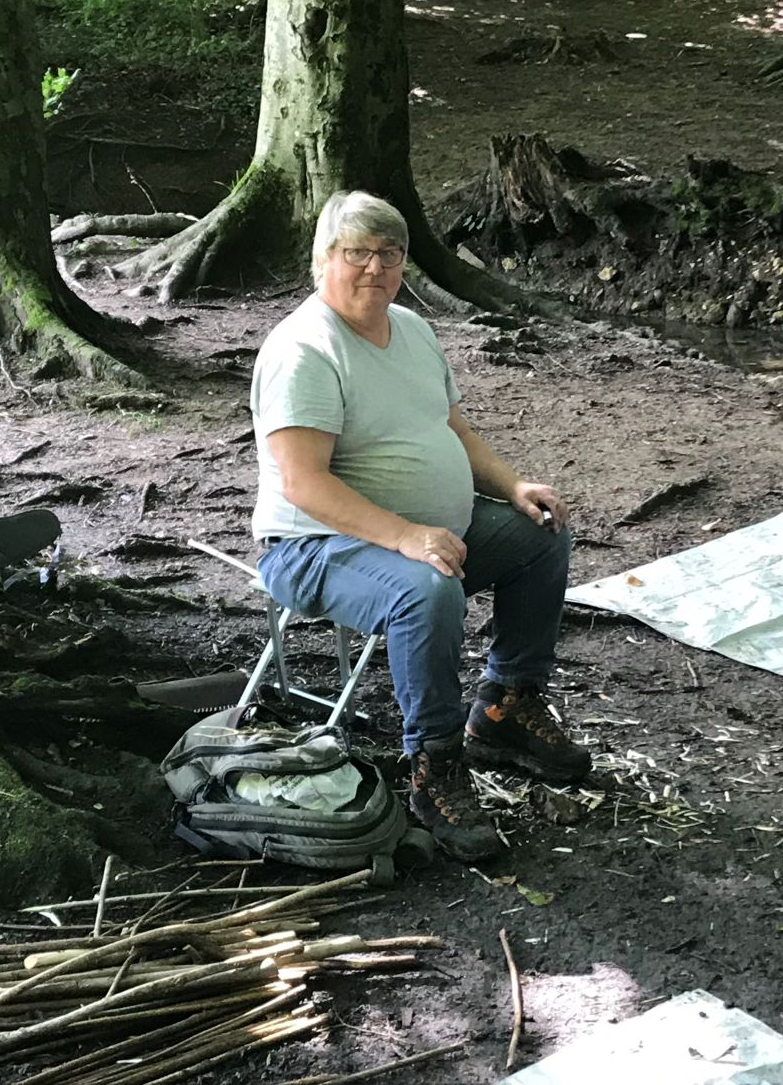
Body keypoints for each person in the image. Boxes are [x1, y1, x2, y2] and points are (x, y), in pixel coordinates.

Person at [250, 190, 590, 862]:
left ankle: (505, 709)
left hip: (426, 531)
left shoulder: (410, 329)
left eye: (390, 253)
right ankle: (434, 766)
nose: (375, 268)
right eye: (358, 253)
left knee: (540, 534)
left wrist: (513, 485)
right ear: (324, 259)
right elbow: (303, 484)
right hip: (312, 546)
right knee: (425, 591)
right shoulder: (304, 350)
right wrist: (405, 535)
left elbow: (453, 429)